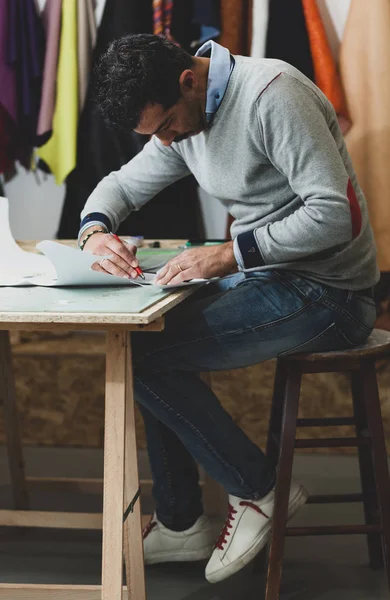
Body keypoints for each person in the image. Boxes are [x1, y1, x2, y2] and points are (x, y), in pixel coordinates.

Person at [77, 34, 379, 584]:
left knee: (145, 357)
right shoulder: (181, 116)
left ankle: (259, 490)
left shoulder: (273, 94)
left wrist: (228, 255)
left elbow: (336, 216)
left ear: (188, 81)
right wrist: (95, 231)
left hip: (333, 293)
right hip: (270, 277)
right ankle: (181, 522)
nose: (166, 140)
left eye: (166, 125)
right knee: (144, 339)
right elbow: (123, 184)